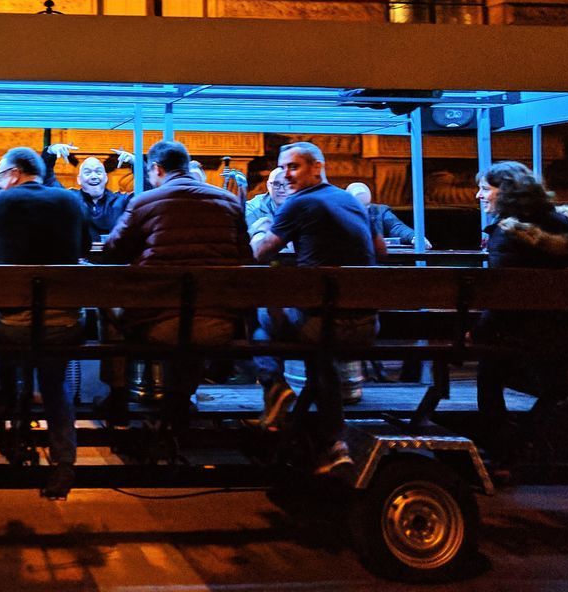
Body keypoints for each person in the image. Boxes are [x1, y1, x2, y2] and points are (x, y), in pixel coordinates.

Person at [250, 141, 385, 474]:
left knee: (257, 317)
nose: (285, 174)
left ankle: (275, 386)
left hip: (326, 325)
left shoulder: (298, 204)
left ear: (317, 167)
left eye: (293, 167)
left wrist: (259, 229)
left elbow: (261, 254)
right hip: (367, 324)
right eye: (281, 168)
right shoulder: (349, 200)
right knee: (318, 354)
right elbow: (381, 251)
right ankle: (334, 444)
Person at [96, 139, 252, 428]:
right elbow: (247, 257)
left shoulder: (144, 202)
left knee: (107, 305)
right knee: (195, 311)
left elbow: (112, 253)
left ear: (156, 168)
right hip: (219, 323)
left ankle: (118, 395)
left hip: (159, 321)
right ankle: (180, 397)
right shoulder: (228, 202)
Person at [0, 146, 91, 499]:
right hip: (64, 324)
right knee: (55, 383)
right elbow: (84, 246)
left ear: (13, 173)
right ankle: (64, 462)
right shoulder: (71, 202)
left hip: (14, 326)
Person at [473, 161, 568, 461]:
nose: (479, 196)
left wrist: (477, 331)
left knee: (489, 369)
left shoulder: (507, 234)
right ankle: (528, 440)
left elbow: (502, 298)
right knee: (555, 384)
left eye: (485, 189)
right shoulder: (565, 226)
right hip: (567, 332)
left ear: (506, 193)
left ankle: (502, 448)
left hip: (521, 335)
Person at [346, 182, 432, 249]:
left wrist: (414, 237)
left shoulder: (379, 211)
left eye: (365, 208)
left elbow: (397, 227)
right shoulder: (340, 213)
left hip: (376, 260)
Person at [245, 167, 291, 237]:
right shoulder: (252, 208)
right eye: (276, 184)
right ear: (268, 185)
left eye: (286, 184)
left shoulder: (306, 204)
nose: (281, 190)